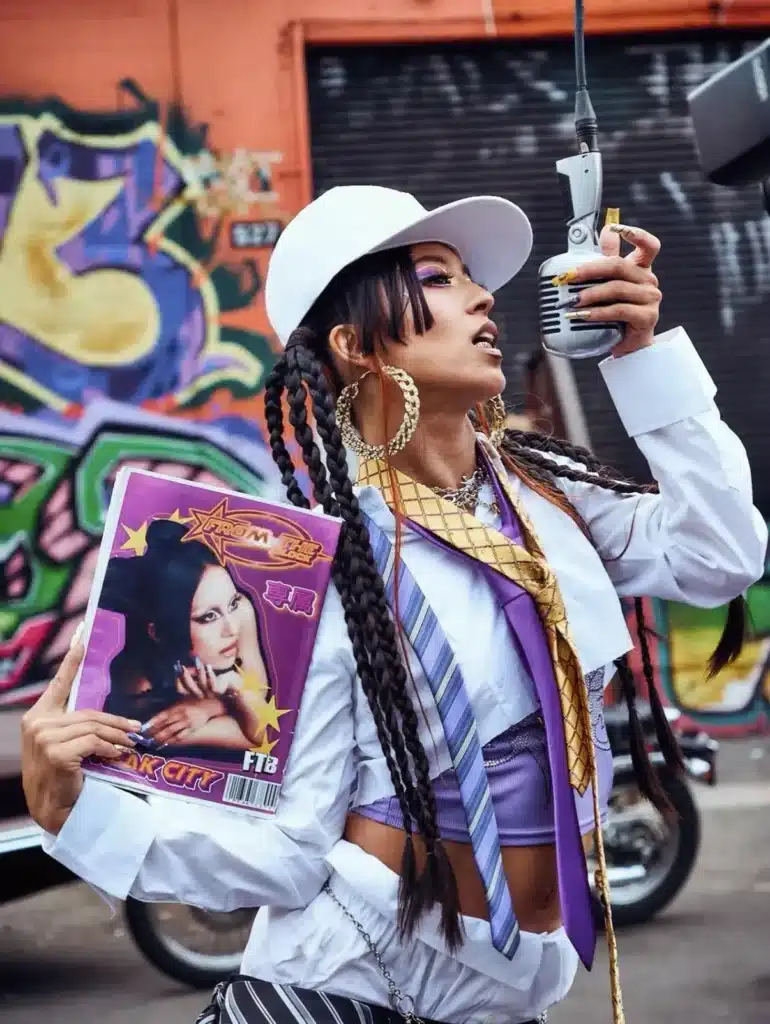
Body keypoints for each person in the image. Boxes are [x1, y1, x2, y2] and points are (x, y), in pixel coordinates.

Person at [22, 185, 767, 1024]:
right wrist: (75, 815)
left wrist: (642, 357)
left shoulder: (543, 497)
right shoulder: (302, 565)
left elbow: (721, 553)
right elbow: (291, 853)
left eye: (468, 279)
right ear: (357, 345)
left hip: (511, 995)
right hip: (348, 986)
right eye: (437, 277)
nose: (485, 296)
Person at [101, 518, 272, 751]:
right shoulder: (140, 686)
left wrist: (210, 705)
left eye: (231, 603)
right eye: (209, 617)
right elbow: (258, 734)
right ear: (160, 632)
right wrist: (230, 696)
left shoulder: (240, 612)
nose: (232, 629)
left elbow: (258, 693)